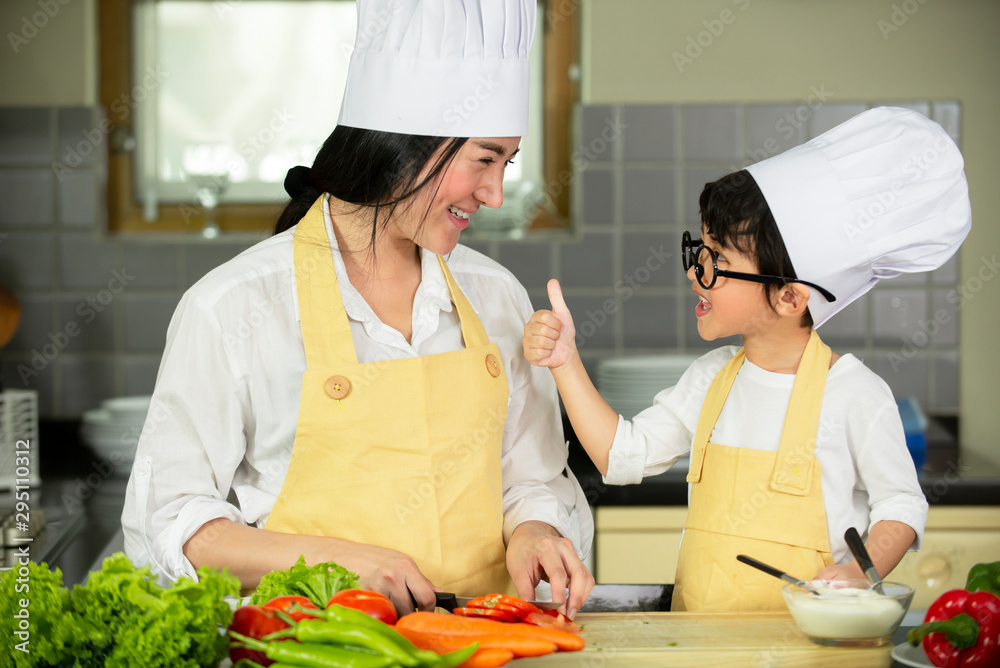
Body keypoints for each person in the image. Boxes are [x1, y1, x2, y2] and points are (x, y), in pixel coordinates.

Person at [122, 0, 595, 618]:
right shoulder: (232, 306)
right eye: (484, 159)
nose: (495, 193)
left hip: (488, 644)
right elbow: (171, 523)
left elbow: (533, 479)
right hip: (312, 651)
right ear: (400, 148)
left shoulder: (496, 295)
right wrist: (336, 559)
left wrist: (536, 529)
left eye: (507, 163)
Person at [522, 107, 970, 612]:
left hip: (808, 649)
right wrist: (565, 362)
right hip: (700, 645)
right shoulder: (711, 378)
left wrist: (857, 572)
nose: (696, 273)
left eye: (720, 263)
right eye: (701, 250)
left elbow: (901, 504)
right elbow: (621, 455)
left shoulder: (853, 393)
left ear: (788, 298)